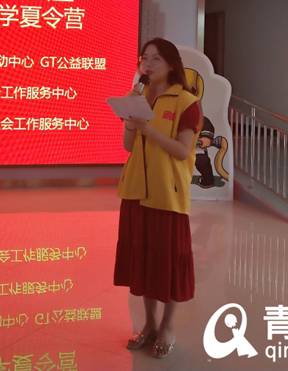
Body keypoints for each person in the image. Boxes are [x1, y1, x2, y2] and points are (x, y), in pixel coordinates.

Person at [114, 38, 201, 358]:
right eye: (144, 59)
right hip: (136, 190)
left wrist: (148, 129)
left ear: (171, 64)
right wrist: (130, 122)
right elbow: (128, 146)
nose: (147, 65)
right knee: (143, 260)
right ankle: (149, 323)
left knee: (168, 261)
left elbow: (181, 150)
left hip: (167, 192)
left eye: (155, 59)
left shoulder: (186, 102)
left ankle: (167, 326)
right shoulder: (138, 96)